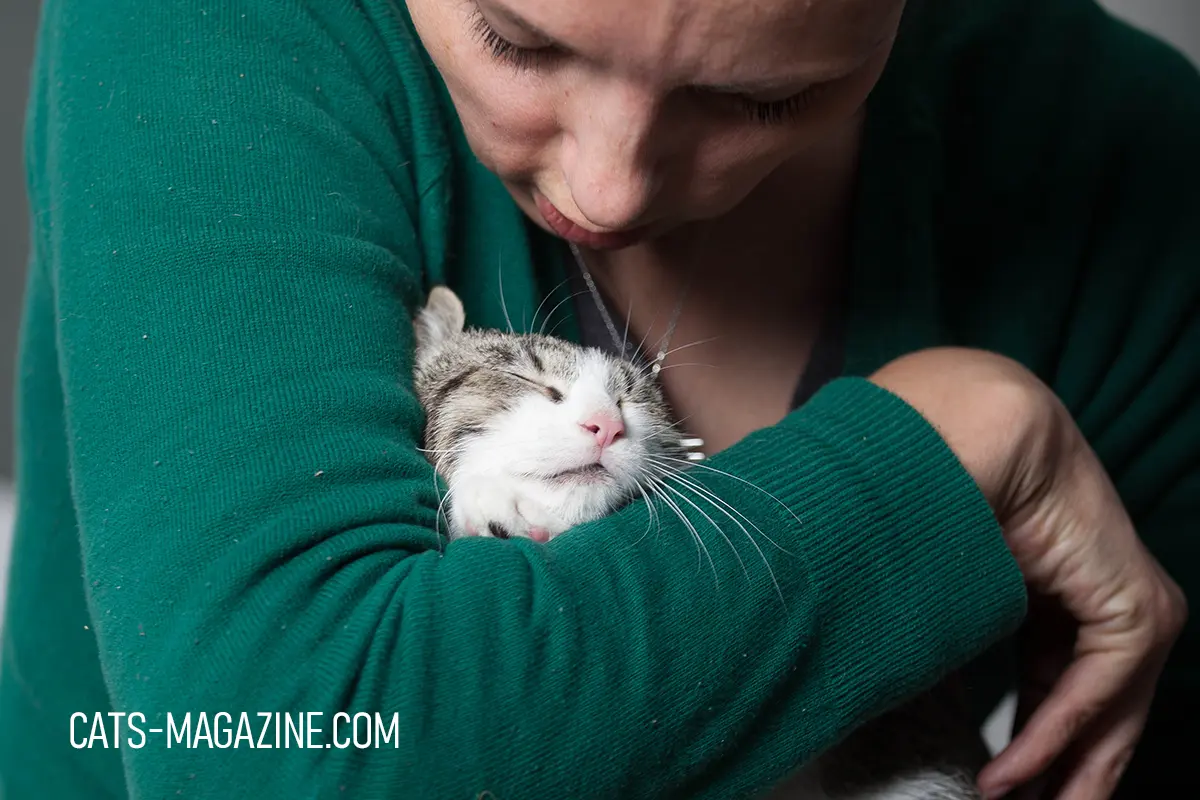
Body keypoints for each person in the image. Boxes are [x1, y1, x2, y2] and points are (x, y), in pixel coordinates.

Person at [0, 0, 1192, 797]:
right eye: (518, 39)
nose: (608, 189)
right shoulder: (207, 28)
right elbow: (283, 746)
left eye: (760, 98)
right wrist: (944, 442)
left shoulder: (1131, 166)